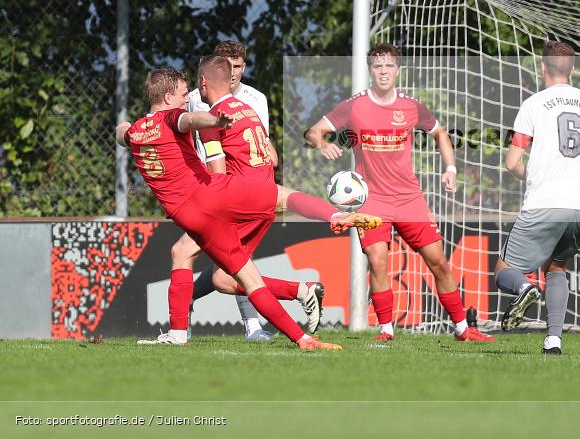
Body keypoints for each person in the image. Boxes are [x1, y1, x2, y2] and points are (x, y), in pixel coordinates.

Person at [118, 67, 379, 350]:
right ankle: (336, 215)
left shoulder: (136, 133)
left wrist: (124, 126)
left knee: (231, 273)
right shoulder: (173, 117)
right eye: (182, 95)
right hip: (212, 195)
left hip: (189, 217)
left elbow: (123, 133)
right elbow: (190, 119)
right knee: (281, 196)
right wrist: (213, 119)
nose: (186, 99)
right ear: (168, 97)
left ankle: (296, 338)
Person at [306, 43, 495, 342]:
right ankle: (386, 330)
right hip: (372, 201)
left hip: (409, 199)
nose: (383, 72)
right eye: (378, 66)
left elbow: (440, 134)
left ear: (398, 70)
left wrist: (451, 169)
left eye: (389, 66)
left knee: (439, 262)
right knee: (378, 260)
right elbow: (314, 131)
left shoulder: (411, 106)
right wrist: (322, 143)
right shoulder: (353, 106)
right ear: (370, 70)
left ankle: (463, 329)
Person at [495, 41, 580, 355]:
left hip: (546, 201)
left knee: (504, 270)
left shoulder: (533, 105)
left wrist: (533, 174)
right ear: (572, 69)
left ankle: (525, 288)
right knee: (557, 267)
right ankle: (554, 341)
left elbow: (512, 162)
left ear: (542, 67)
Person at [185, 41, 276, 341]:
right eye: (228, 66)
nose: (233, 72)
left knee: (227, 259)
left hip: (233, 188)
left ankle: (185, 307)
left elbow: (262, 143)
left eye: (238, 66)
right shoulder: (195, 99)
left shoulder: (255, 99)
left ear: (244, 67)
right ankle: (290, 298)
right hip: (205, 185)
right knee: (224, 260)